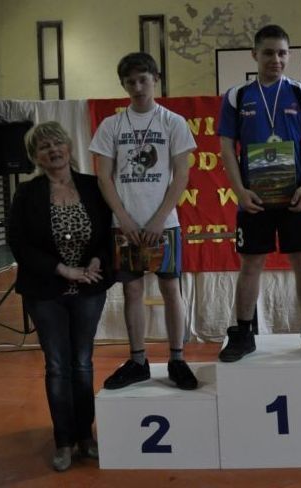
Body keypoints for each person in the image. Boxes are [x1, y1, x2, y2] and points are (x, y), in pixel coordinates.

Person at [217, 24, 301, 362]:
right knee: (250, 265)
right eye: (268, 53)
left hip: (295, 196)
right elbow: (226, 147)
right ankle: (243, 333)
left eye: (282, 53)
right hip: (254, 199)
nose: (276, 59)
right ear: (255, 54)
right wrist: (239, 191)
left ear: (289, 55)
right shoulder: (237, 96)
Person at [89, 52, 198, 390]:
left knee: (171, 289)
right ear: (123, 85)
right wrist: (123, 218)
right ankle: (138, 361)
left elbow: (181, 175)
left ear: (155, 79)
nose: (137, 87)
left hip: (164, 223)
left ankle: (177, 359)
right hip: (126, 225)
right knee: (132, 290)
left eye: (143, 80)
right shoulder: (112, 126)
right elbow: (104, 177)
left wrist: (159, 218)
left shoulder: (173, 122)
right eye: (130, 82)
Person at [8, 121, 113, 471]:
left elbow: (107, 234)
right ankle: (63, 442)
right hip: (45, 291)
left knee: (82, 364)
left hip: (89, 289)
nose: (53, 150)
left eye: (57, 143)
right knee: (56, 366)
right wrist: (62, 269)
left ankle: (86, 437)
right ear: (35, 157)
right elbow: (19, 244)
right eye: (44, 147)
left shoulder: (93, 186)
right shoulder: (27, 193)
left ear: (68, 146)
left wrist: (98, 260)